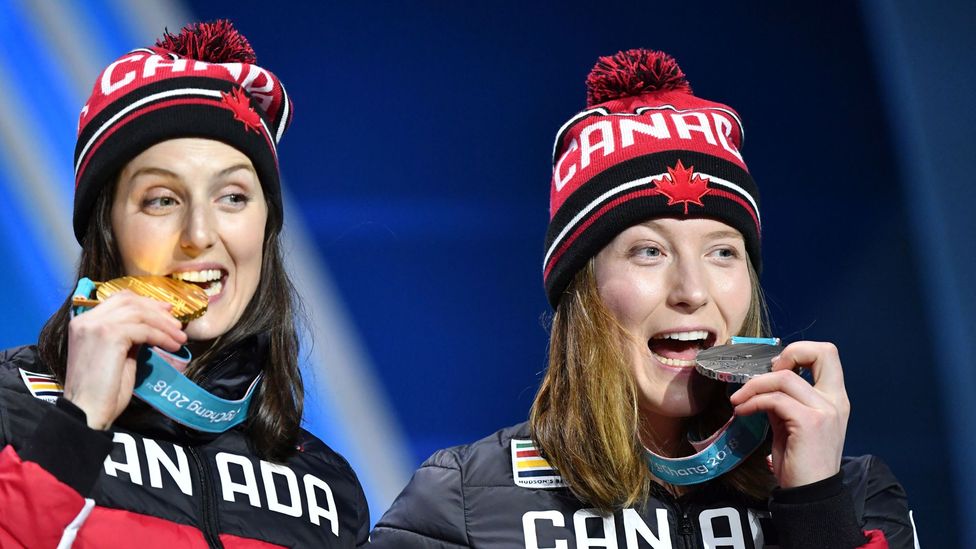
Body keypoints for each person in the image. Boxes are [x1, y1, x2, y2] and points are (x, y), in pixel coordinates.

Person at [371, 49, 915, 548]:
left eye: (723, 253)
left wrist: (814, 504)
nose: (692, 292)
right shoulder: (460, 502)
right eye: (649, 251)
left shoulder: (858, 495)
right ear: (582, 292)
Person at [0, 20, 368, 548]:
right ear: (107, 229)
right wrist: (78, 422)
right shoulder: (12, 406)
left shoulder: (328, 489)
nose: (199, 235)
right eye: (161, 199)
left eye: (233, 197)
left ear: (266, 227)